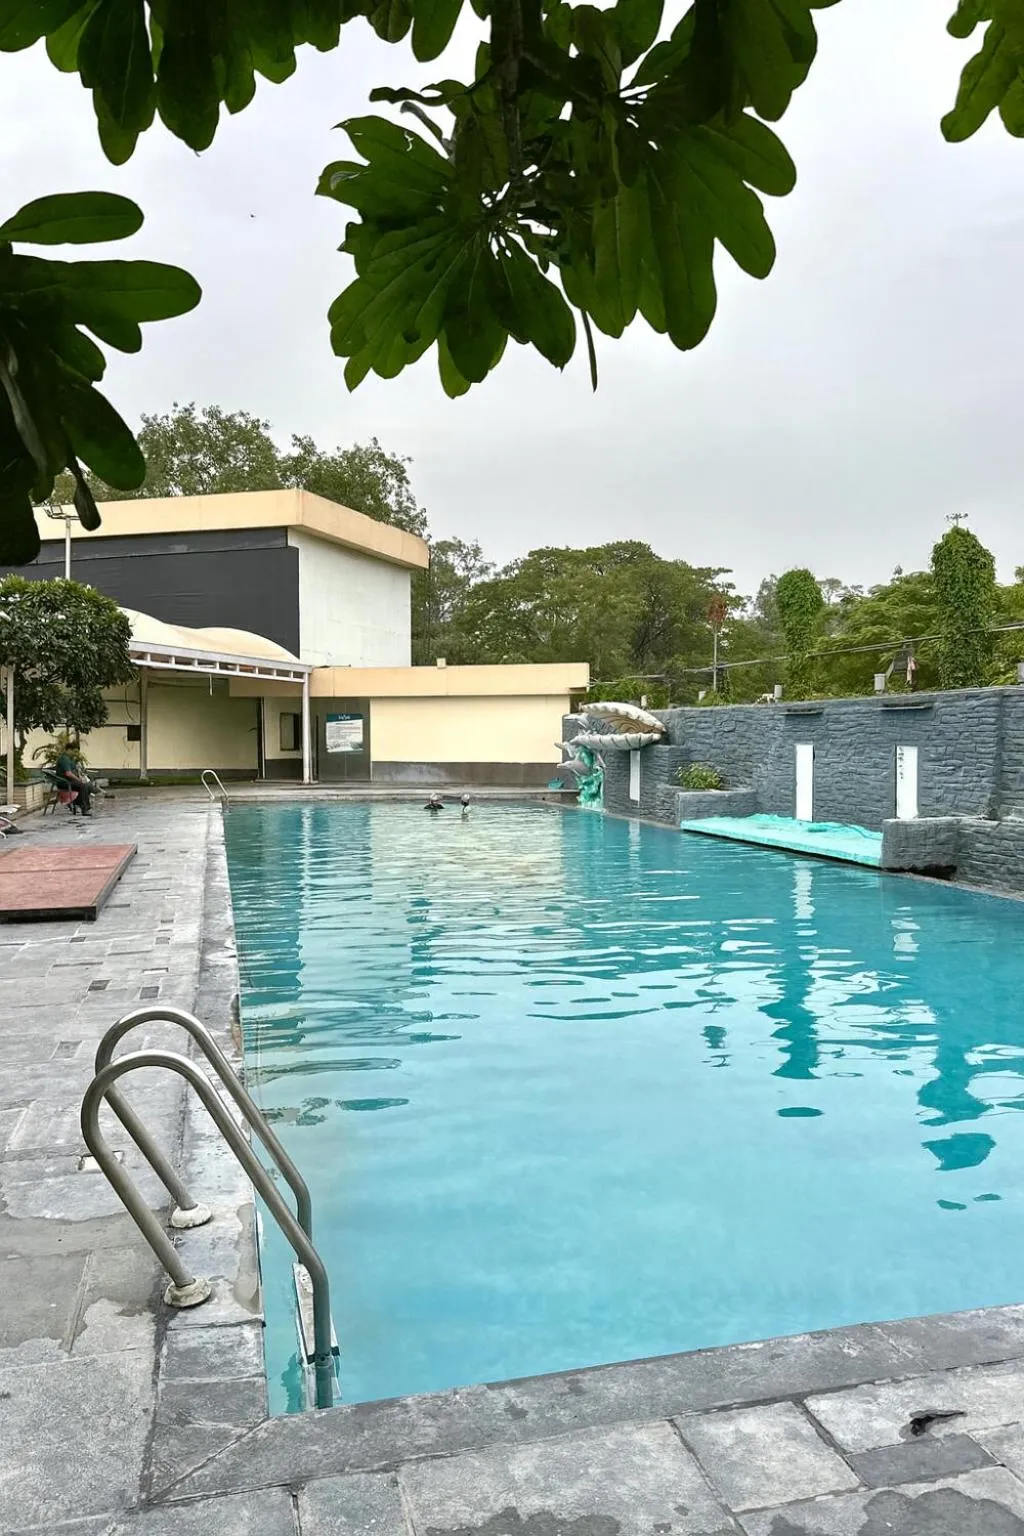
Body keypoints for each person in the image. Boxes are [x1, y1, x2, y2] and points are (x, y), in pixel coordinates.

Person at [54, 746, 93, 817]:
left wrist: (80, 777)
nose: (75, 754)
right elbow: (68, 773)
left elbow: (75, 771)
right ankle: (84, 809)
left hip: (70, 781)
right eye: (74, 751)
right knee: (83, 786)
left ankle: (77, 802)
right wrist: (79, 780)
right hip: (64, 782)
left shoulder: (71, 759)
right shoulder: (64, 759)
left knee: (89, 786)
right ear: (68, 750)